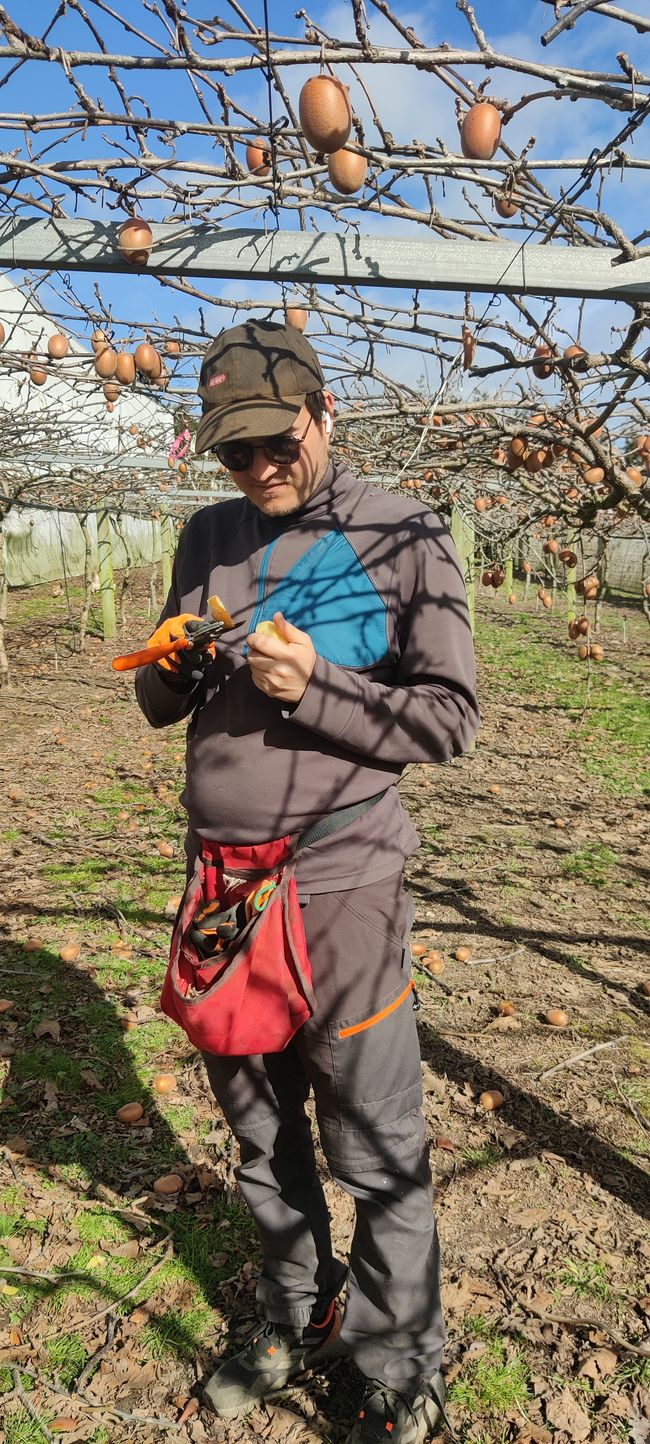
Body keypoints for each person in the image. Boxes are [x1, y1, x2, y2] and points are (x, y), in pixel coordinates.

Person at [135, 319, 479, 1443]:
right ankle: (296, 1307)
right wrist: (175, 666)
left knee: (373, 1142)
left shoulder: (399, 534)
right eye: (235, 452)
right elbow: (157, 706)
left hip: (342, 885)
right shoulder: (207, 533)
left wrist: (316, 686)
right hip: (222, 890)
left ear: (322, 412)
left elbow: (447, 718)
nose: (259, 469)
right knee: (256, 1131)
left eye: (276, 442)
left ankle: (395, 1360)